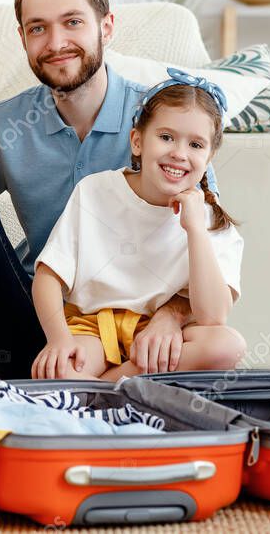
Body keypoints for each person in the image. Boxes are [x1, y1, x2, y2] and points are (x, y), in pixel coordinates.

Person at [0, 0, 246, 382]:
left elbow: (200, 228)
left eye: (72, 22)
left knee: (217, 340)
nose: (56, 43)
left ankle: (102, 388)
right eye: (38, 28)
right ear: (22, 38)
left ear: (106, 27)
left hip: (142, 330)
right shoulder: (8, 121)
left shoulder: (163, 125)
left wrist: (170, 317)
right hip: (38, 312)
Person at [31, 69, 245, 381]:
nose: (179, 154)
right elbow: (48, 277)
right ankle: (130, 390)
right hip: (92, 327)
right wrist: (58, 341)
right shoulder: (94, 191)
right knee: (58, 369)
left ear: (209, 158)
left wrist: (195, 230)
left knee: (227, 346)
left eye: (196, 145)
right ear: (137, 141)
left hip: (160, 340)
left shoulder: (212, 223)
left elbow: (213, 316)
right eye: (166, 137)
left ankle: (103, 391)